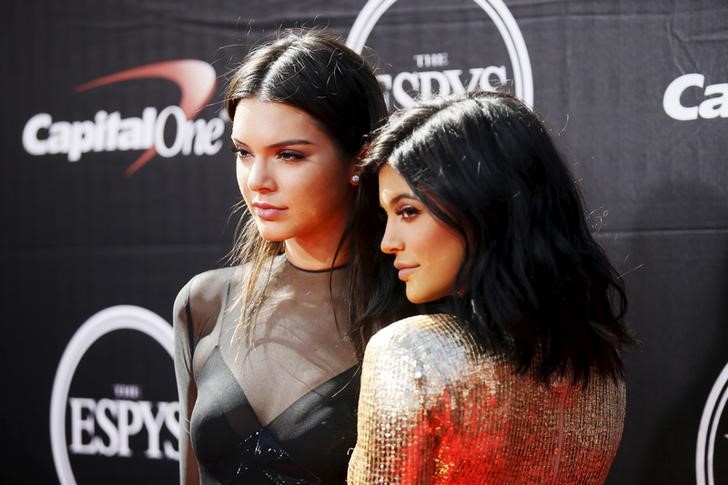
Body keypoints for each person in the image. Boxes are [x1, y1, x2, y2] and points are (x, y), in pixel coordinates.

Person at [347, 91, 633, 484]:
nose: (387, 242)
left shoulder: (413, 355)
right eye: (387, 215)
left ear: (484, 208)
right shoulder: (601, 372)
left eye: (408, 211)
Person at [173, 30, 409, 485]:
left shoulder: (417, 312)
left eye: (289, 155)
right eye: (243, 153)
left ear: (359, 158)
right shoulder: (205, 304)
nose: (257, 180)